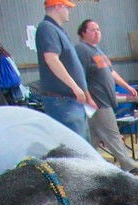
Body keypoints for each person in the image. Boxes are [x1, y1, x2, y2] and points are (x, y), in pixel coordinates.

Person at [75, 19, 138, 175]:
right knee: (111, 133)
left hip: (104, 100)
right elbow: (79, 75)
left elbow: (111, 72)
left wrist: (127, 87)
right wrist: (88, 98)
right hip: (97, 101)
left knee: (93, 135)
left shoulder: (98, 51)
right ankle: (128, 165)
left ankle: (82, 164)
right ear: (83, 33)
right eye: (92, 30)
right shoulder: (81, 50)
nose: (97, 33)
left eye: (98, 29)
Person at [35, 0, 94, 140]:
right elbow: (51, 59)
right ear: (58, 6)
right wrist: (75, 87)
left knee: (82, 147)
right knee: (75, 150)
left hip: (70, 101)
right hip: (63, 102)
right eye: (67, 7)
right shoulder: (47, 28)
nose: (69, 11)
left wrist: (84, 92)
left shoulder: (57, 30)